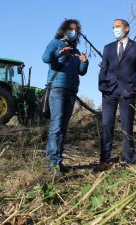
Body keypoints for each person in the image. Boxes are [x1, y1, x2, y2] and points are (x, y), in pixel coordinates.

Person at [97, 19, 136, 171]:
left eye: (117, 26)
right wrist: (102, 85)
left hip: (127, 92)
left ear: (127, 28)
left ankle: (130, 160)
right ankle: (105, 160)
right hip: (109, 92)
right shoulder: (108, 48)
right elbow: (103, 69)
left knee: (127, 126)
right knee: (107, 124)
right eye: (113, 27)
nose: (115, 29)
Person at [42, 19, 89, 176]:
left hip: (71, 91)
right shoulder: (55, 43)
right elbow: (45, 58)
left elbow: (81, 72)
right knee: (56, 125)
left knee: (63, 128)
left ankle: (58, 162)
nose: (73, 32)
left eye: (76, 30)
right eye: (70, 29)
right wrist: (59, 53)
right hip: (57, 89)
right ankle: (52, 164)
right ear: (63, 30)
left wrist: (84, 62)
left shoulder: (76, 52)